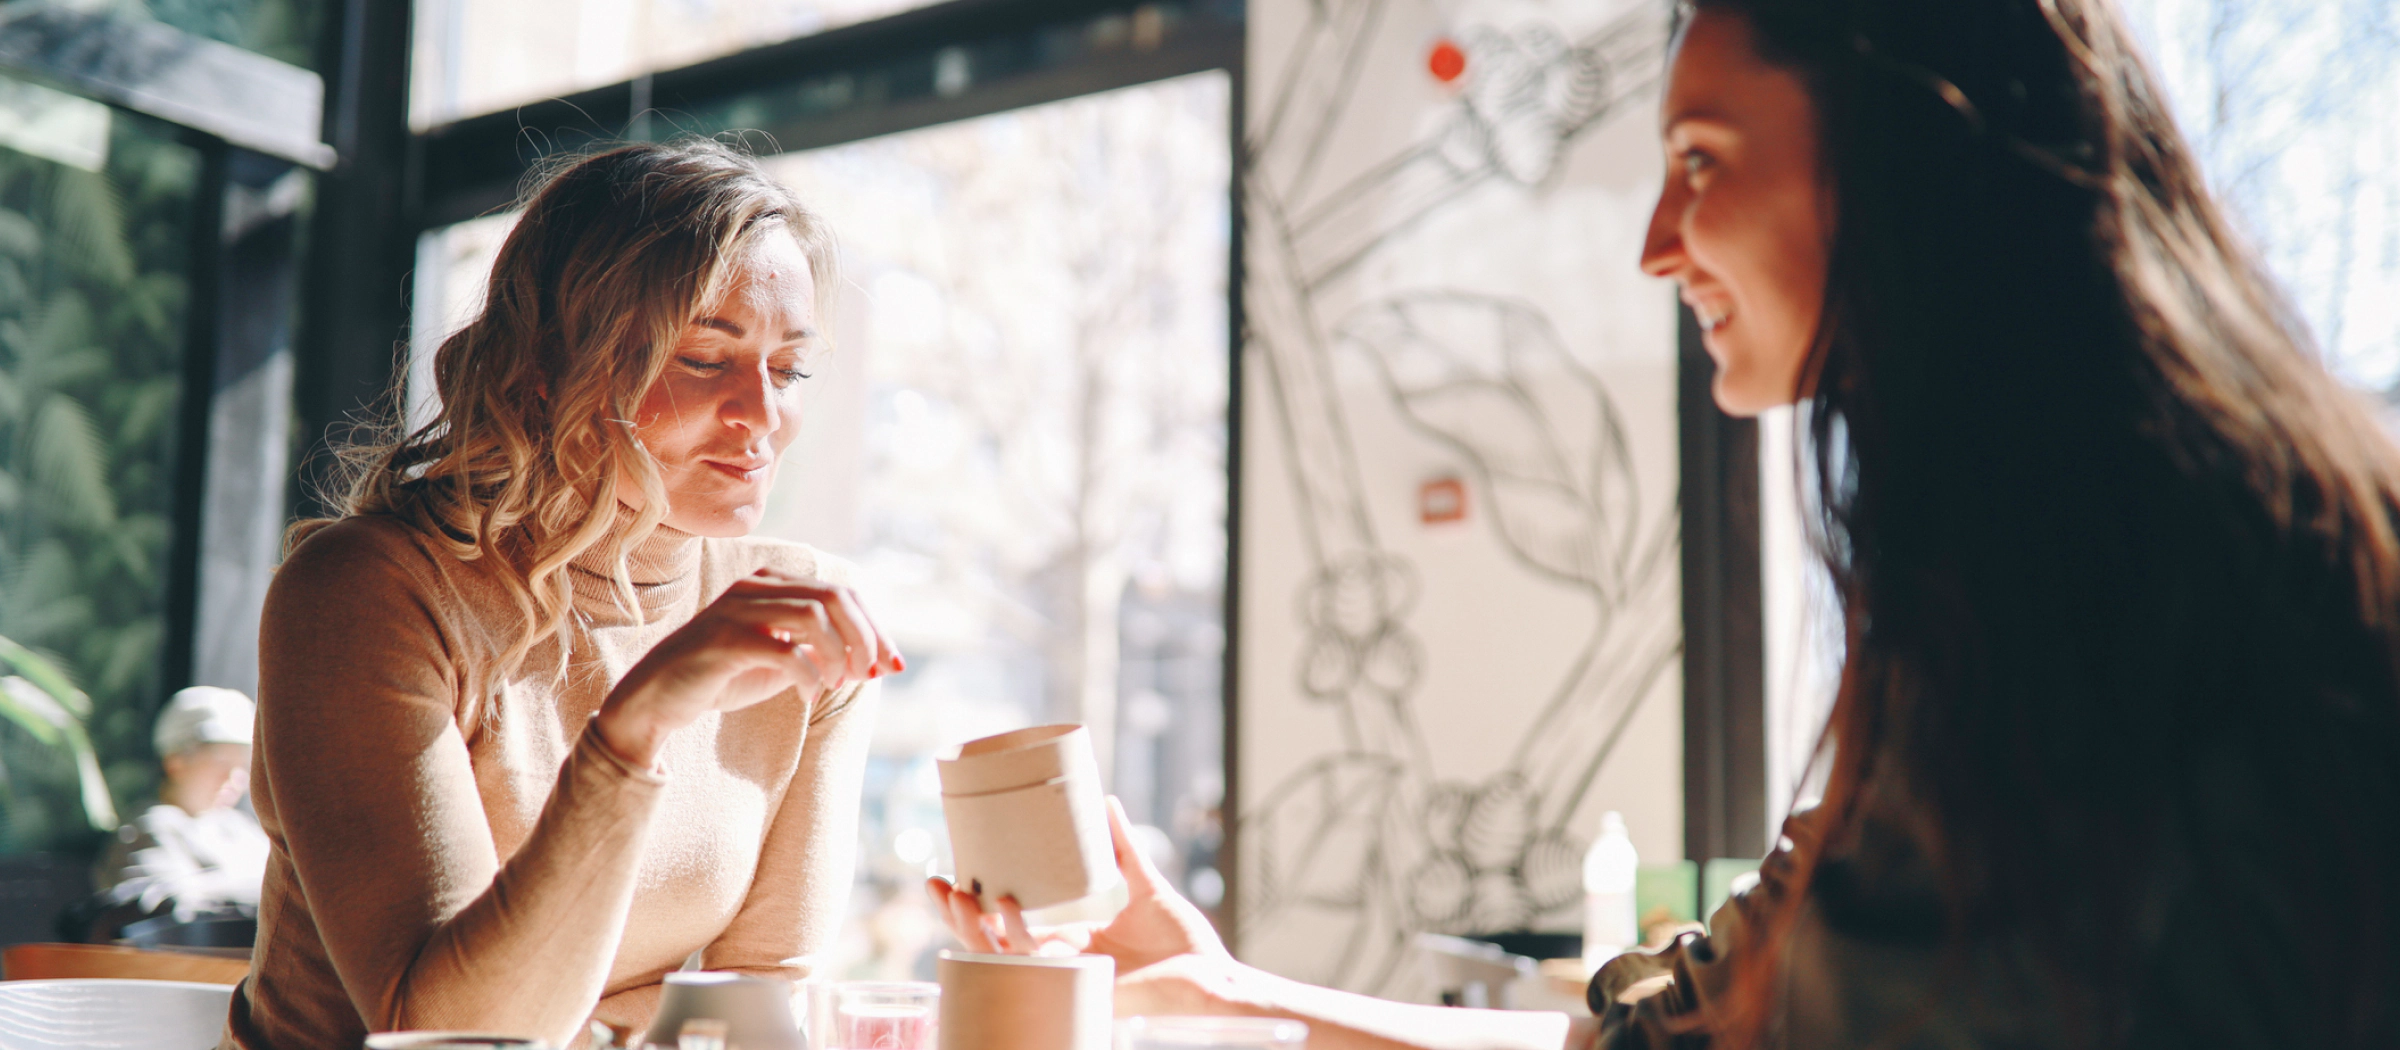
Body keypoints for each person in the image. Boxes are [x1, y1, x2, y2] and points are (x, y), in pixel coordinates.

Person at [929, 0, 2400, 1047]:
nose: (1654, 240)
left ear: (1902, 155)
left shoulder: (2103, 586)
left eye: (1699, 156)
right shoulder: (2015, 560)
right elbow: (1696, 1023)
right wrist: (1230, 985)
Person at [227, 139, 902, 1050]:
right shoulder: (369, 593)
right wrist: (642, 722)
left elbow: (761, 1006)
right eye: (705, 358)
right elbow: (448, 1033)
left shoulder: (795, 615)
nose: (761, 414)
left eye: (787, 370)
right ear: (549, 368)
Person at [90, 686, 269, 936]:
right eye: (221, 761)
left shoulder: (241, 829)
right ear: (176, 760)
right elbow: (158, 906)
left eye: (242, 765)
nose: (234, 778)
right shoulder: (152, 827)